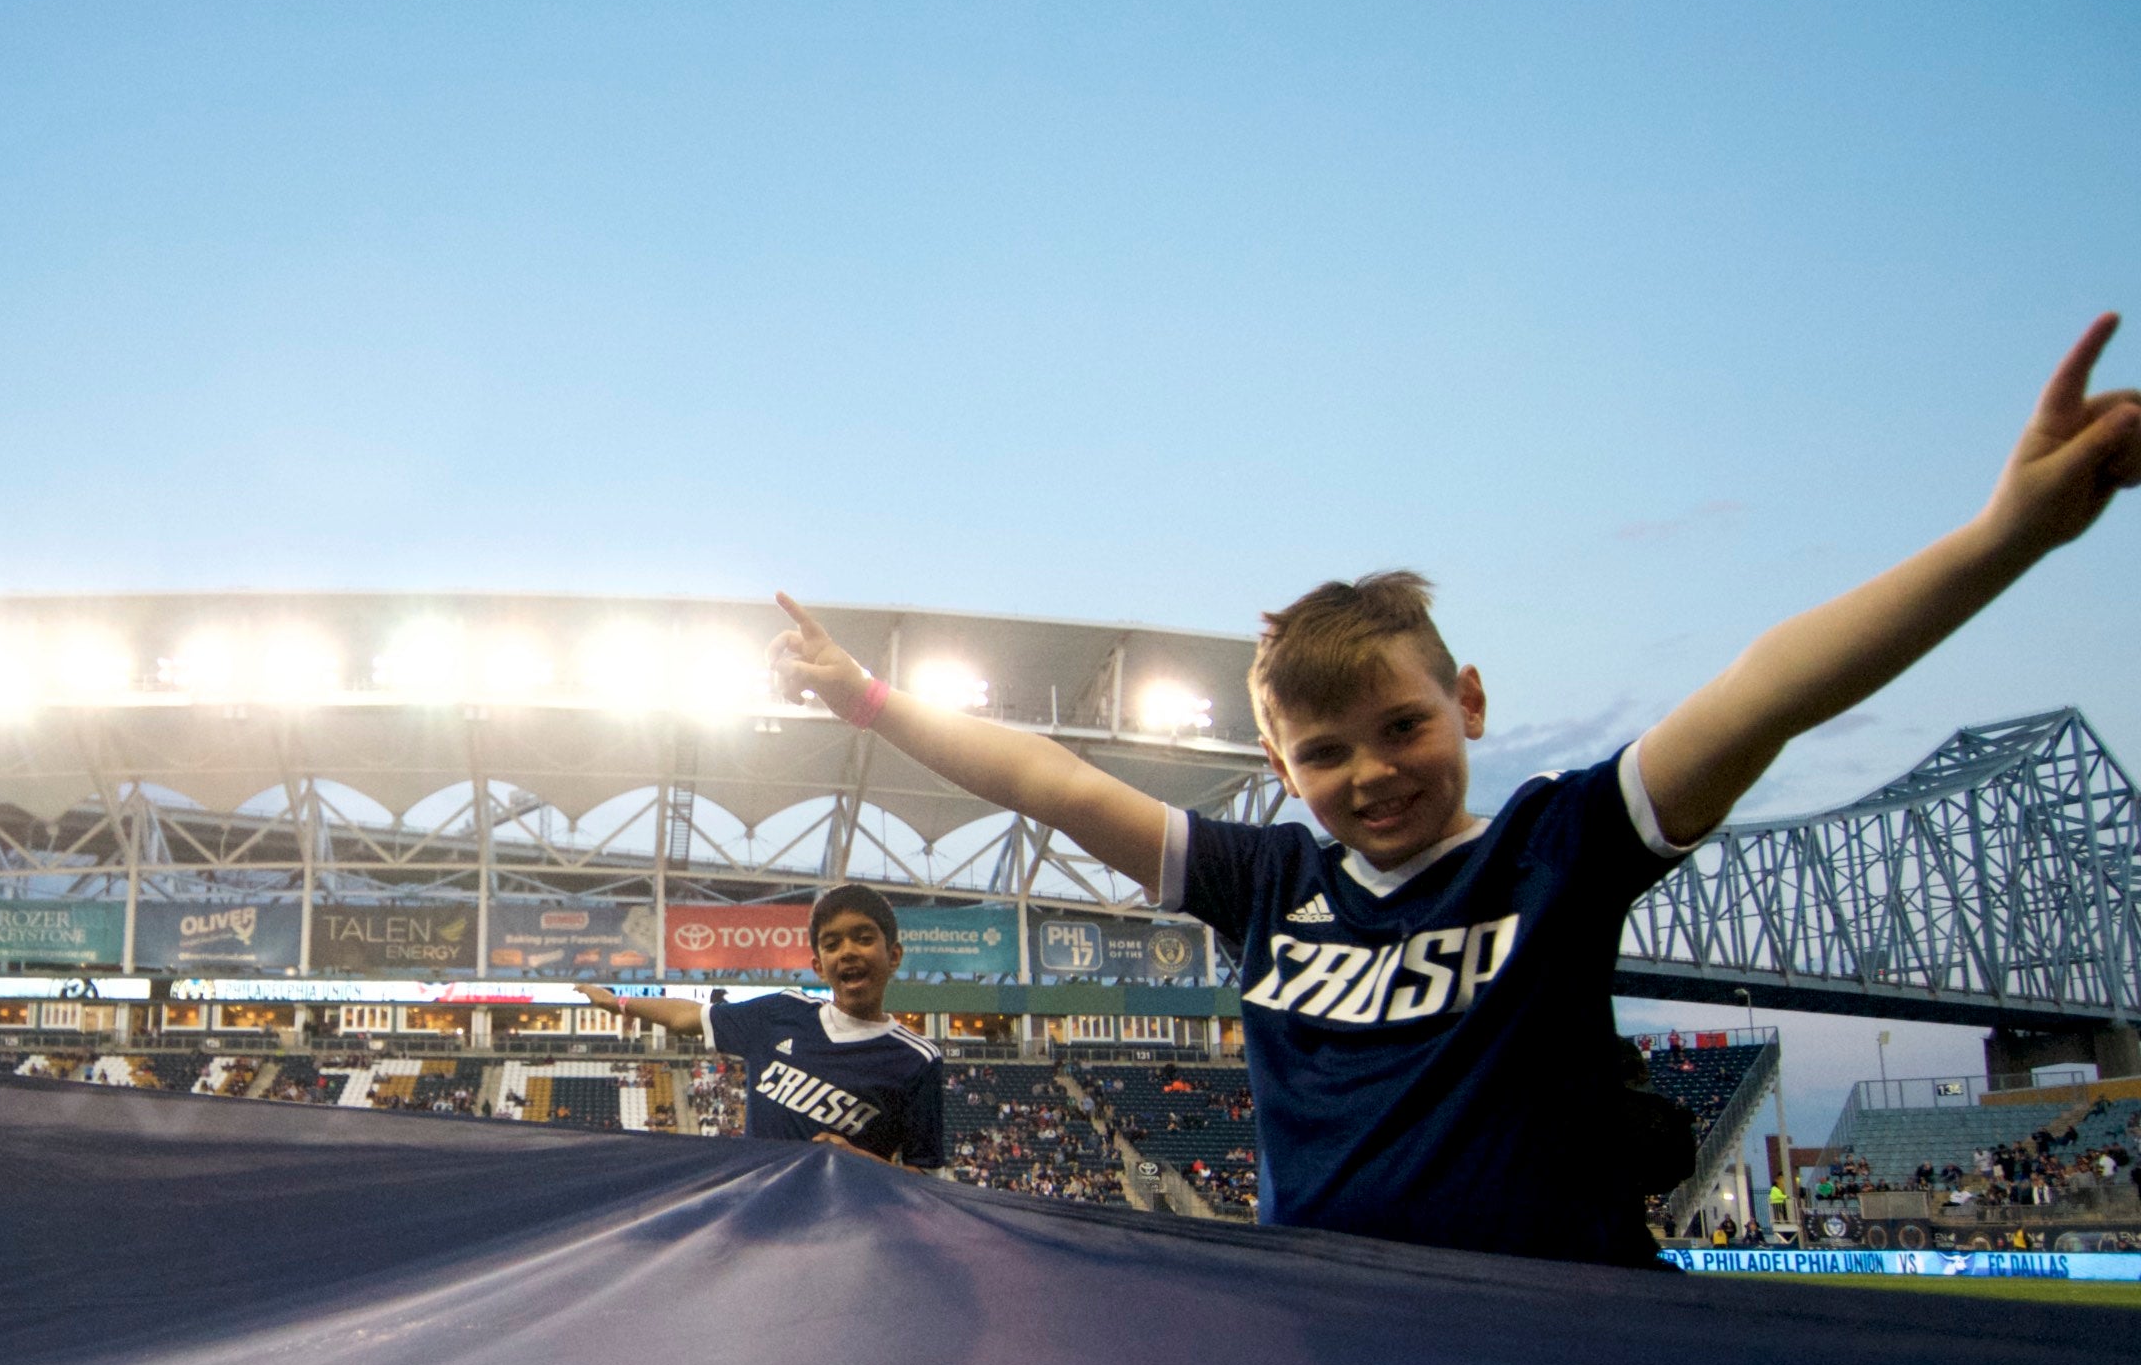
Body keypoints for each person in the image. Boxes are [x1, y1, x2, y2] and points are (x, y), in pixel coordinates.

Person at [768, 314, 2138, 1264]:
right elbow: (1050, 779)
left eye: (1401, 725)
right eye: (1321, 753)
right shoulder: (1269, 882)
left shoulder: (1561, 845)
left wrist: (2005, 536)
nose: (1368, 773)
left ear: (1469, 700)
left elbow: (1770, 690)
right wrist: (862, 696)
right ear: (1282, 767)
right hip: (1344, 1339)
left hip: (1565, 1333)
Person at [580, 882, 945, 1165]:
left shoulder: (918, 1061)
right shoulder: (779, 1013)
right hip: (756, 1219)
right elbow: (687, 1016)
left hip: (844, 1238)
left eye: (863, 939)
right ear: (818, 966)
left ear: (893, 955)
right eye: (832, 944)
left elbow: (924, 1180)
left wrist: (859, 1161)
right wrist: (620, 1003)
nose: (847, 951)